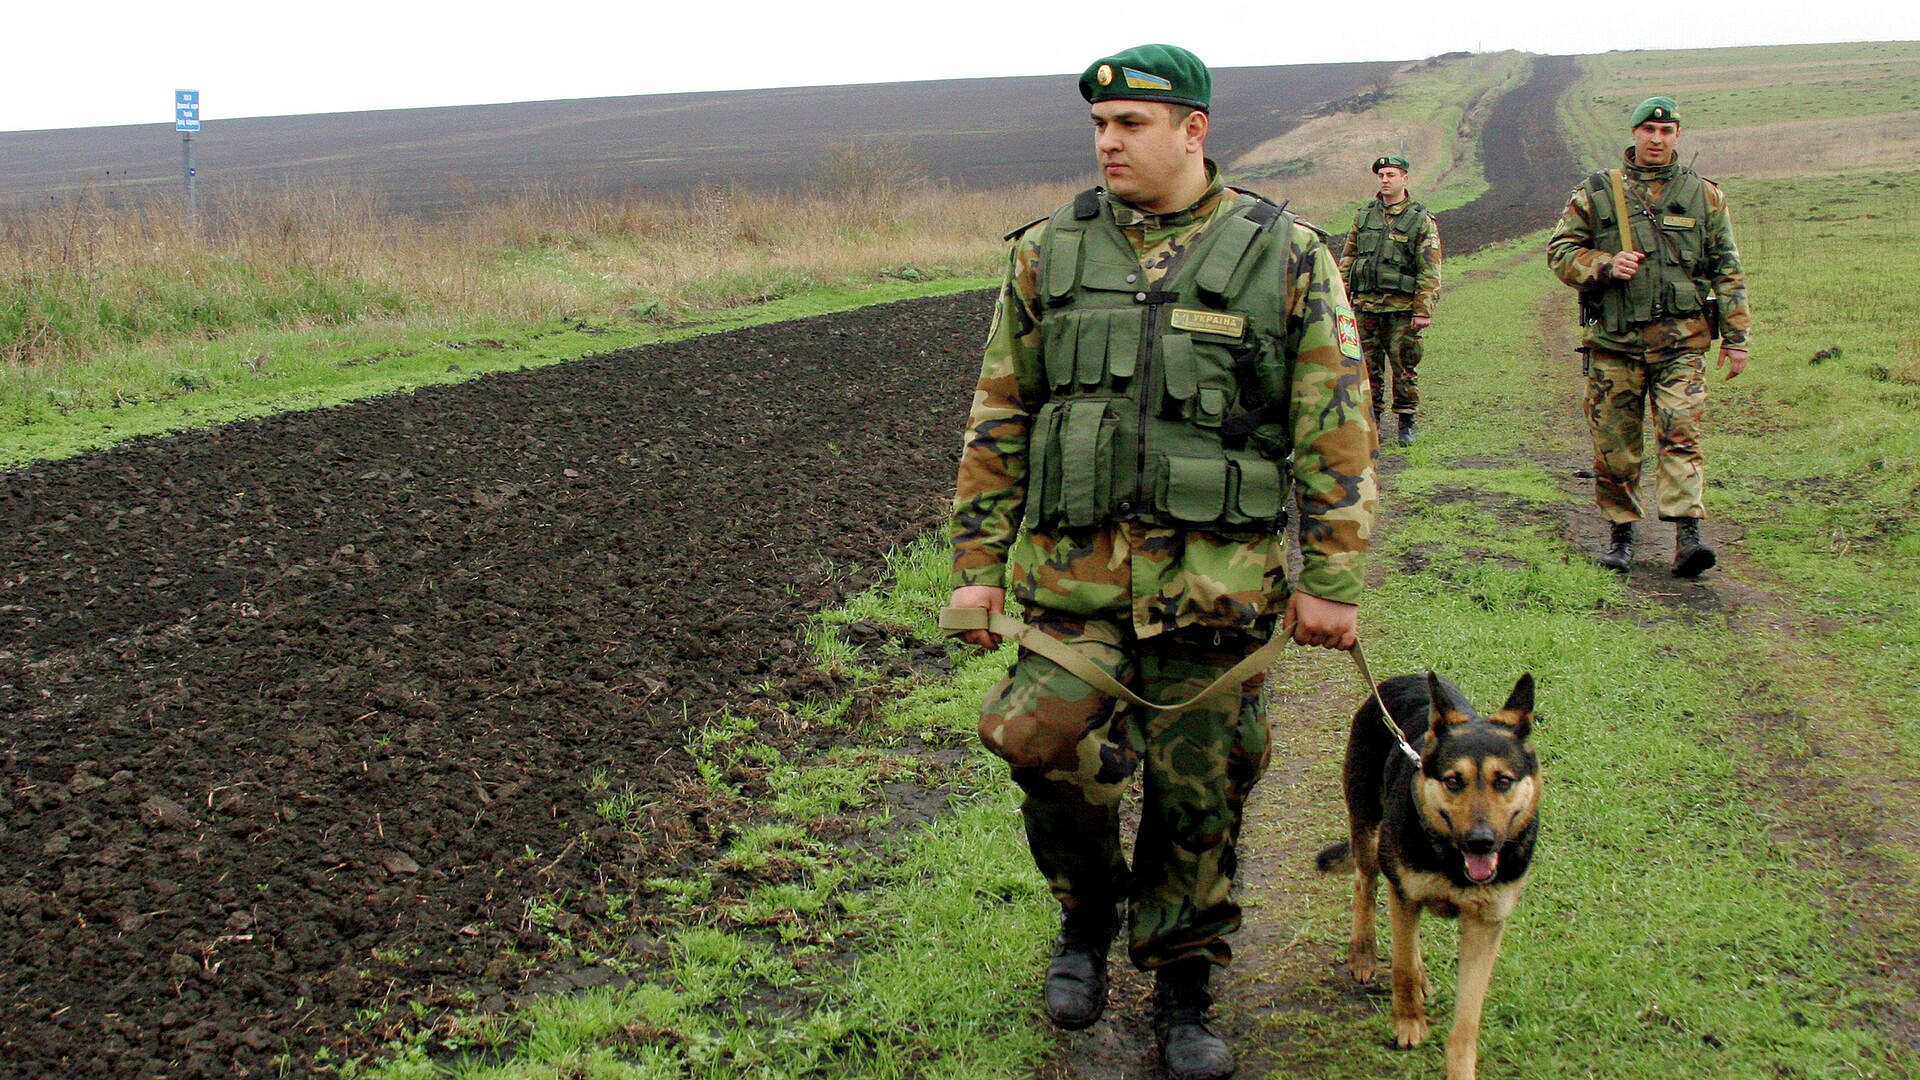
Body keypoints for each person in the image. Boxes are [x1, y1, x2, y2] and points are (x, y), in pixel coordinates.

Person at [944, 43, 1376, 1080]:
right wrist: (976, 563)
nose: (1107, 142)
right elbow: (1001, 412)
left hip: (1216, 589)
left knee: (1202, 794)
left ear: (1194, 131)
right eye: (1099, 126)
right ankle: (1086, 922)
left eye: (1131, 125)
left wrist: (1331, 579)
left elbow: (1336, 423)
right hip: (1070, 582)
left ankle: (1184, 983)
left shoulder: (1285, 254)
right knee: (1037, 742)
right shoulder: (1049, 250)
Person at [1547, 95, 1750, 576]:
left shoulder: (1704, 195)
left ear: (1677, 136)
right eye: (1648, 131)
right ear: (1634, 134)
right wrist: (1603, 263)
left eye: (1667, 131)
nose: (1657, 139)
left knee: (1681, 433)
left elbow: (1727, 268)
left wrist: (1737, 338)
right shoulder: (1597, 193)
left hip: (1682, 343)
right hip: (1615, 344)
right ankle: (1621, 533)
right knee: (1615, 443)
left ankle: (1687, 535)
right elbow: (1559, 252)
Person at [1339, 154, 1442, 446]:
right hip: (1365, 307)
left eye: (1391, 175)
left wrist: (1423, 309)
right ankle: (1371, 425)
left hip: (1401, 309)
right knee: (1365, 369)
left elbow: (1429, 268)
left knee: (1404, 367)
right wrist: (1341, 299)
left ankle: (1406, 423)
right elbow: (1348, 258)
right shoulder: (1364, 215)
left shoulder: (1419, 219)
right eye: (1381, 175)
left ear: (1405, 179)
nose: (1385, 180)